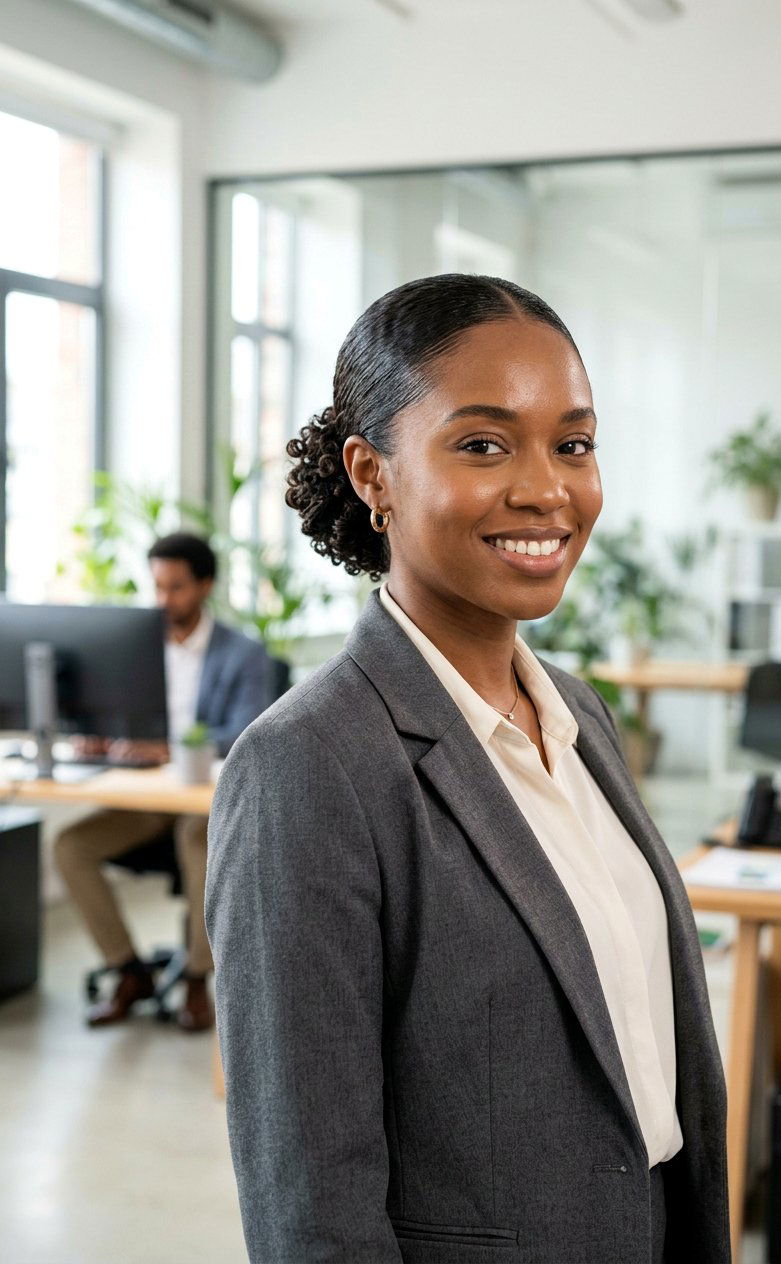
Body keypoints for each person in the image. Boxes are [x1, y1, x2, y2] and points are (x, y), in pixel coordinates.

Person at [205, 275, 730, 1262]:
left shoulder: (577, 712)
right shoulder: (308, 768)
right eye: (483, 444)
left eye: (571, 443)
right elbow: (309, 1200)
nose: (544, 488)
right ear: (373, 476)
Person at [55, 532, 275, 1032]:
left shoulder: (243, 654)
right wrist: (97, 735)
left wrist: (175, 749)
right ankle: (129, 970)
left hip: (205, 800)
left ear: (204, 586)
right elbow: (113, 715)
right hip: (149, 798)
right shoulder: (134, 648)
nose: (162, 600)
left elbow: (249, 731)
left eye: (175, 587)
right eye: (156, 587)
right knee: (70, 846)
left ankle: (198, 977)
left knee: (197, 840)